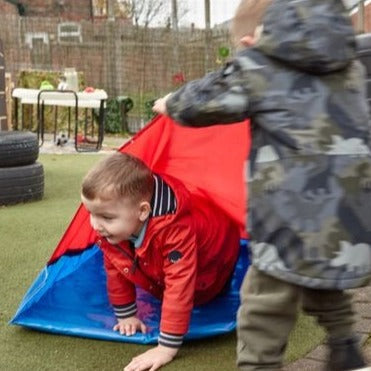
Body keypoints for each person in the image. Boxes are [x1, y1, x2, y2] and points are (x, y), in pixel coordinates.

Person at [153, 0, 371, 369]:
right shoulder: (351, 65)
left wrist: (170, 102)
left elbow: (201, 103)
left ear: (252, 41)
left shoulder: (261, 66)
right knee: (323, 279)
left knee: (262, 310)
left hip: (289, 226)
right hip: (351, 223)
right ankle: (346, 346)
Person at [81, 152, 240, 371]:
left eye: (106, 217)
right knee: (121, 249)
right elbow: (117, 266)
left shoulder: (174, 230)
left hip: (215, 262)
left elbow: (180, 282)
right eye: (90, 213)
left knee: (197, 290)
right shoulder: (112, 225)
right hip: (162, 244)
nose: (96, 225)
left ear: (143, 211)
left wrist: (166, 348)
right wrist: (126, 315)